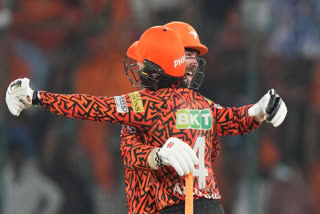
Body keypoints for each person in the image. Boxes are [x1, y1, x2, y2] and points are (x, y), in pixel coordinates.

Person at [6, 25, 287, 213]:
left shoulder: (143, 103)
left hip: (169, 205)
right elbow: (230, 120)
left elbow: (91, 106)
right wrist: (255, 112)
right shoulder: (200, 103)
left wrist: (37, 97)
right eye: (186, 54)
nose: (191, 63)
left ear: (155, 66)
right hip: (206, 203)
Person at [120, 21, 208, 214]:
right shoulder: (139, 103)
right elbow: (129, 152)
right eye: (185, 56)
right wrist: (158, 156)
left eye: (193, 57)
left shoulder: (199, 107)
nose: (190, 65)